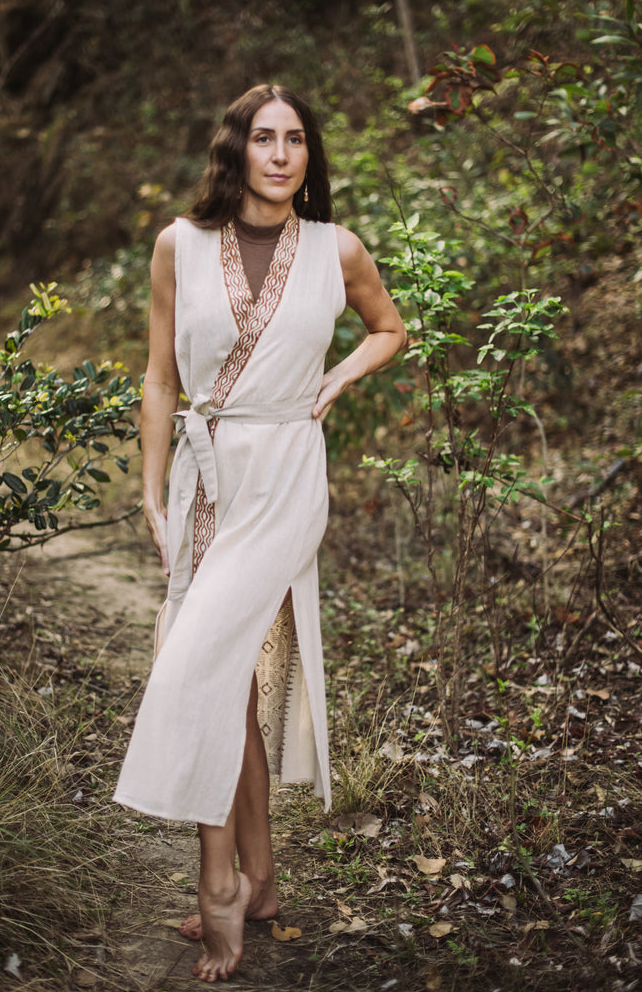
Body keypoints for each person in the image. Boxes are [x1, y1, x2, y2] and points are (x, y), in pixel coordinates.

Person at [114, 84, 406, 983]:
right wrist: (155, 491)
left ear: (309, 156)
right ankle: (266, 877)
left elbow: (390, 327)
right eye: (264, 138)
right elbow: (160, 377)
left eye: (297, 141)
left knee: (196, 661)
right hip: (206, 480)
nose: (281, 154)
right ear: (237, 148)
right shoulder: (179, 245)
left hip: (285, 476)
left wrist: (339, 377)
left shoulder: (336, 248)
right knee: (226, 673)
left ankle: (218, 887)